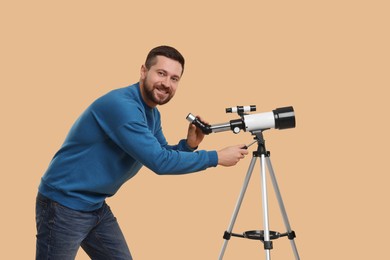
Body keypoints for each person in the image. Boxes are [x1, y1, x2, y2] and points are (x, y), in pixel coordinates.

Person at [35, 45, 248, 260]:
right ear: (144, 71)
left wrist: (189, 145)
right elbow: (159, 162)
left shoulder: (151, 114)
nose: (166, 83)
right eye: (161, 73)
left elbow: (162, 151)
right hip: (63, 205)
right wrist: (216, 157)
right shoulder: (123, 107)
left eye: (174, 78)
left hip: (95, 205)